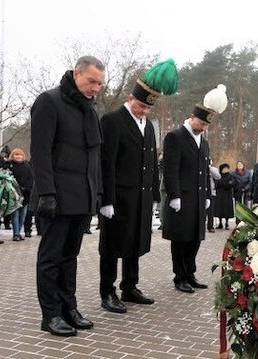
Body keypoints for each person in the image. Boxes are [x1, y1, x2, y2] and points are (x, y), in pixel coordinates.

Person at [30, 55, 104, 337]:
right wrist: (46, 193)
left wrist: (96, 192)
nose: (95, 88)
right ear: (76, 73)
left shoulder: (89, 109)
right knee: (50, 258)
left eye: (99, 83)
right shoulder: (49, 102)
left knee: (69, 258)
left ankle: (68, 308)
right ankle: (50, 314)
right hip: (56, 198)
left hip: (80, 198)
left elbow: (94, 156)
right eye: (91, 81)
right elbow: (40, 152)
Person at [98, 59, 177, 313]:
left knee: (135, 243)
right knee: (112, 246)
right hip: (119, 196)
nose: (144, 111)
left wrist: (154, 192)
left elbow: (152, 162)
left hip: (141, 196)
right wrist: (106, 199)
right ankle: (107, 291)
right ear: (131, 98)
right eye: (141, 105)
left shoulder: (148, 128)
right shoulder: (112, 120)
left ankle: (129, 286)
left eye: (147, 108)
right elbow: (106, 162)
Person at [162, 84, 228, 293]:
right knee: (180, 239)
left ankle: (190, 273)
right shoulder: (175, 137)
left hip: (199, 198)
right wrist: (174, 195)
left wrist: (208, 195)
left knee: (195, 238)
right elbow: (170, 169)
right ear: (192, 117)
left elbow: (205, 171)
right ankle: (179, 276)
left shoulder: (204, 142)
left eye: (207, 125)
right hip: (182, 197)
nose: (203, 128)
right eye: (201, 123)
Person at [4, 148, 33, 241]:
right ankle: (16, 233)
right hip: (13, 194)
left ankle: (19, 232)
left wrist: (26, 188)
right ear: (12, 155)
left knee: (22, 215)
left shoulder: (27, 165)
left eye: (20, 155)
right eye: (16, 154)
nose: (18, 156)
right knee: (15, 215)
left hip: (25, 194)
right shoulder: (9, 165)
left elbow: (31, 178)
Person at [214, 163, 235, 230]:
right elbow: (217, 184)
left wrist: (224, 183)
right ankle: (220, 223)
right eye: (224, 168)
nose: (226, 170)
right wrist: (225, 183)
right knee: (219, 209)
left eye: (227, 168)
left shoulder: (230, 176)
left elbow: (231, 184)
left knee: (227, 209)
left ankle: (226, 223)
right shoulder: (218, 176)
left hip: (227, 195)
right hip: (220, 195)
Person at [206, 160, 220, 233]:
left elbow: (218, 177)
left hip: (211, 192)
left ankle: (210, 226)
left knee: (210, 211)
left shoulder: (213, 169)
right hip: (201, 192)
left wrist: (209, 168)